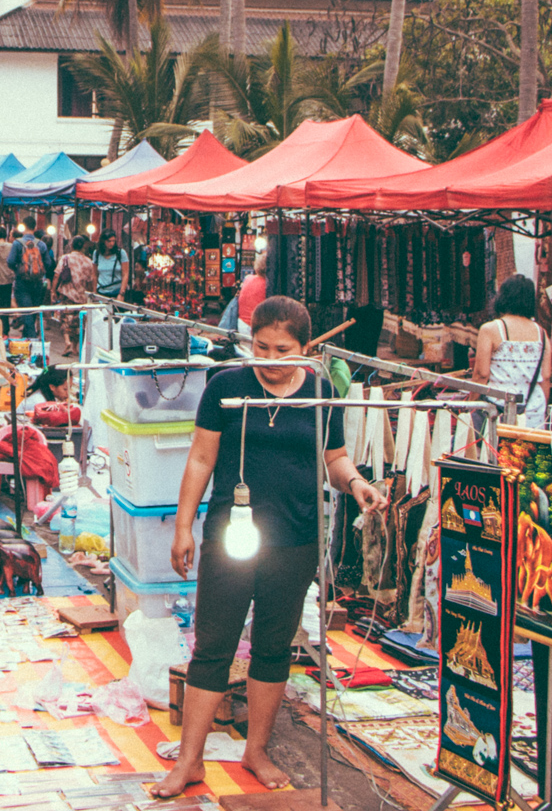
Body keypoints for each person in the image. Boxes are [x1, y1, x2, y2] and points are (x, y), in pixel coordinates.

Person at [155, 297, 386, 798]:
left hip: (296, 539)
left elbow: (336, 459)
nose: (270, 358)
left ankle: (255, 750)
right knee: (212, 647)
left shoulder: (323, 392)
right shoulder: (225, 387)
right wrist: (183, 528)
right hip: (229, 538)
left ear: (307, 348)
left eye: (283, 349)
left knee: (273, 648)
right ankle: (189, 760)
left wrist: (356, 484)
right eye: (261, 347)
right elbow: (199, 460)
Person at [474, 274, 550, 429]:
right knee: (529, 452)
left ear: (503, 297)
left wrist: (471, 405)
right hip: (532, 411)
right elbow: (546, 377)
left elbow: (482, 374)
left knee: (495, 452)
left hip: (498, 411)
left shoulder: (491, 329)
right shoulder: (542, 333)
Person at [52, 237, 97, 355]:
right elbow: (92, 280)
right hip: (82, 295)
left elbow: (57, 275)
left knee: (65, 319)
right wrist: (92, 293)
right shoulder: (88, 261)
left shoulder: (66, 258)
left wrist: (53, 291)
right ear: (83, 247)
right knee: (79, 322)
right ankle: (75, 348)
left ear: (71, 246)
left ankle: (67, 342)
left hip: (68, 294)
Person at [9, 220, 54, 326]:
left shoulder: (17, 243)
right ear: (35, 228)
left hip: (22, 281)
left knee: (26, 312)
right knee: (33, 311)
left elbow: (10, 261)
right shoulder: (41, 244)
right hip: (38, 282)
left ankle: (31, 337)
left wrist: (18, 270)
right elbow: (48, 262)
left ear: (23, 227)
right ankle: (28, 337)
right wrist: (40, 271)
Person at [95, 232, 127, 303]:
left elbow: (125, 274)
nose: (111, 244)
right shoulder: (97, 254)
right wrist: (94, 293)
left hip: (116, 291)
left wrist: (121, 293)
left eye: (113, 241)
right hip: (101, 291)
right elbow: (94, 274)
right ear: (103, 241)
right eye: (109, 241)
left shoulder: (120, 253)